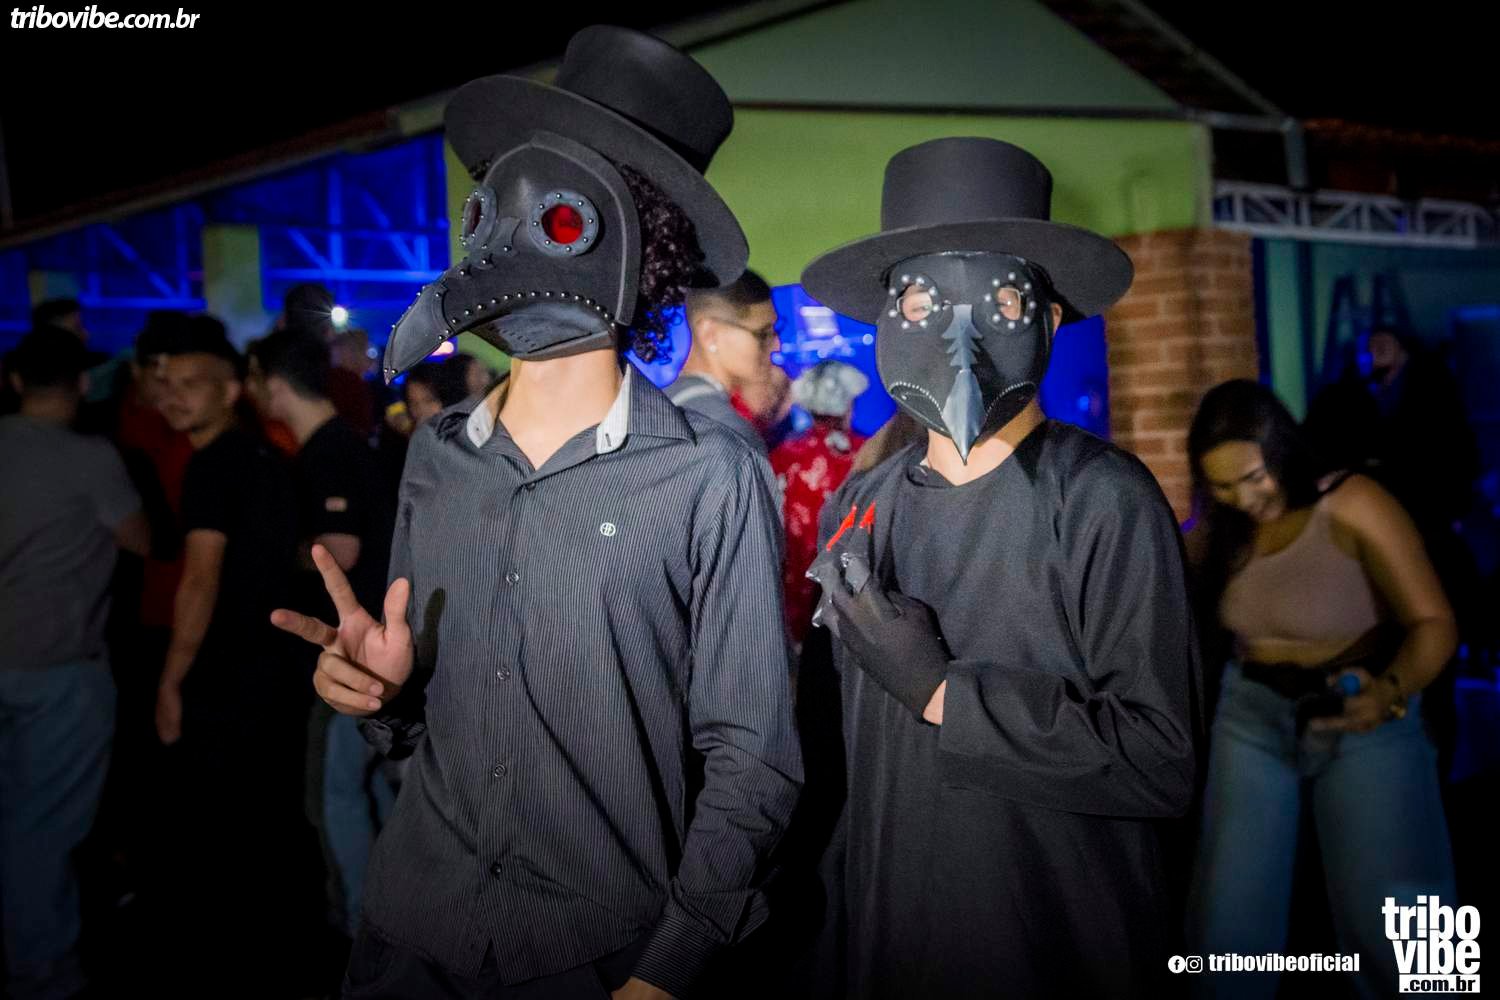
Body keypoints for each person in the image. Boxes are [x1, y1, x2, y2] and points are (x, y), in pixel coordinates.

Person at [272, 27, 800, 1000]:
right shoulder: (437, 457)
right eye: (493, 207)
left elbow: (752, 758)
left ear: (644, 243)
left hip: (594, 956)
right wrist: (384, 694)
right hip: (411, 931)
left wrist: (667, 970)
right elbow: (424, 726)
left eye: (556, 215)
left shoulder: (708, 475)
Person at [799, 137, 1202, 998]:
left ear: (1048, 322)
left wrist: (946, 696)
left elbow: (1159, 758)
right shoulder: (859, 508)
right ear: (886, 321)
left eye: (1003, 300)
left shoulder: (1104, 501)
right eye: (920, 300)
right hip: (888, 935)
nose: (958, 330)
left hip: (1050, 939)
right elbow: (844, 757)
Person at [1184, 379, 1457, 1000]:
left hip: (1363, 705)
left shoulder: (1352, 501)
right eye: (1221, 486)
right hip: (1252, 713)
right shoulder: (1218, 531)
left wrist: (1388, 694)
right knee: (1226, 922)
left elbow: (1435, 624)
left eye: (1253, 477)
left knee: (1404, 914)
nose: (1242, 498)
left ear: (1281, 448)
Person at [153, 325, 319, 994]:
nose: (172, 397)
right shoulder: (263, 457)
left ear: (229, 391)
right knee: (269, 822)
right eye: (166, 384)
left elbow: (200, 578)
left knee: (224, 829)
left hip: (229, 673)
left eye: (190, 385)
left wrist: (171, 679)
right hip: (275, 667)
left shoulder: (215, 465)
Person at [0, 329, 148, 1000]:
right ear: (82, 385)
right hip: (59, 664)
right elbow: (141, 538)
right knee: (43, 827)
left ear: (14, 382)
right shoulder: (88, 458)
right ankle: (42, 973)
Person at [251, 328, 397, 940]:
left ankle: (363, 927)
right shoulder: (342, 444)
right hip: (368, 647)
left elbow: (340, 548)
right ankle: (391, 916)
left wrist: (270, 554)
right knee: (370, 785)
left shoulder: (329, 452)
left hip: (353, 650)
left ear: (271, 384)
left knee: (334, 792)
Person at [771, 360, 868, 647]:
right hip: (854, 591)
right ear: (849, 403)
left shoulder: (784, 455)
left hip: (796, 587)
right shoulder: (868, 453)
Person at [667, 269, 779, 455]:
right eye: (763, 334)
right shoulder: (733, 434)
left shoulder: (659, 404)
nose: (776, 345)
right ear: (709, 334)